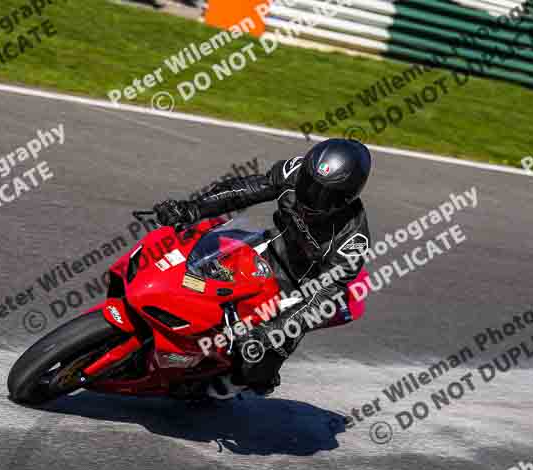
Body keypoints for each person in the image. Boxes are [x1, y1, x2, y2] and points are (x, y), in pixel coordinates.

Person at [153, 138, 372, 398]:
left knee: (255, 363)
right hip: (267, 250)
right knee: (192, 275)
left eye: (323, 194)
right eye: (308, 183)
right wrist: (191, 208)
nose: (309, 195)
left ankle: (230, 384)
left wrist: (269, 333)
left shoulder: (352, 241)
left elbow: (321, 300)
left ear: (345, 200)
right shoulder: (295, 171)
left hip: (301, 289)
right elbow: (244, 190)